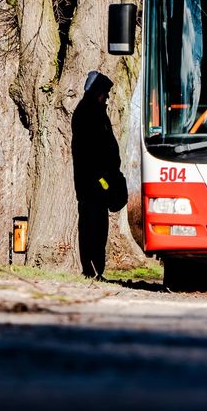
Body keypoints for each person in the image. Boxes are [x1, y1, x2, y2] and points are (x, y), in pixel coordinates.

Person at [71, 70, 119, 279]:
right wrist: (103, 179)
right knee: (92, 226)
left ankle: (96, 268)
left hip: (100, 180)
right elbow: (91, 152)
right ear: (97, 92)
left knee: (99, 226)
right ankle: (91, 268)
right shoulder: (87, 113)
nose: (107, 97)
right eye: (105, 93)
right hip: (93, 182)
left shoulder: (96, 112)